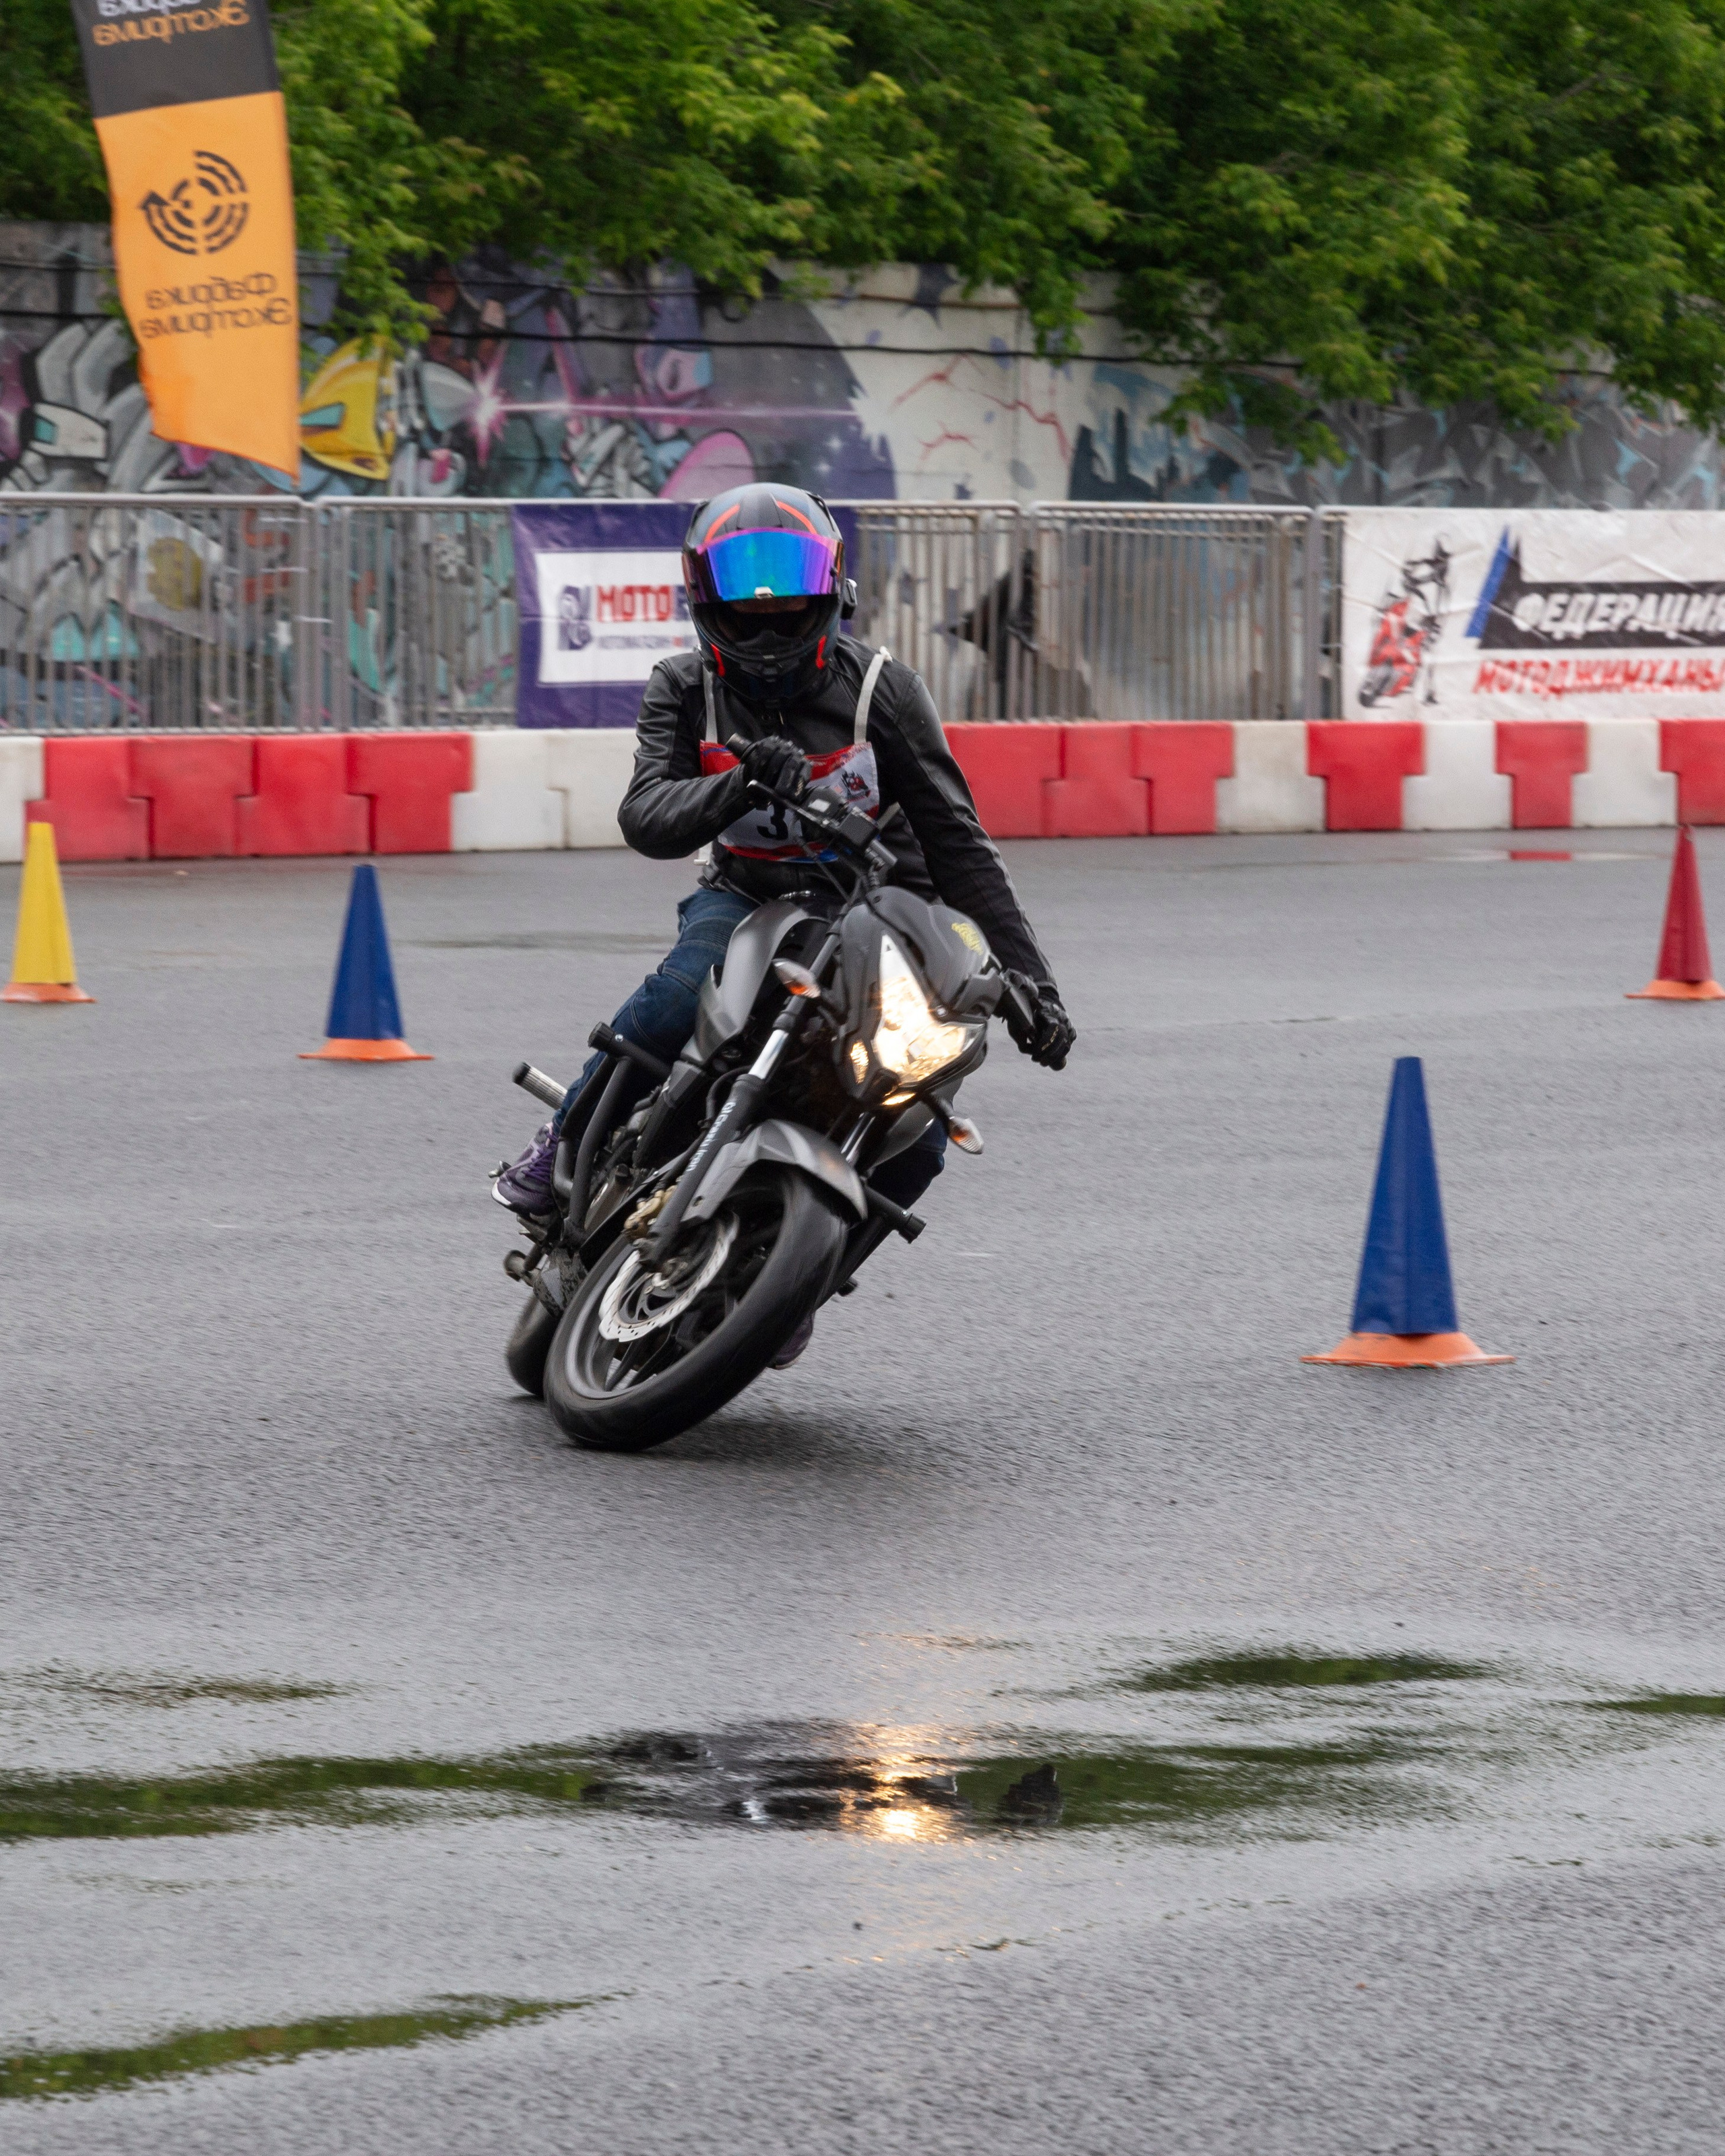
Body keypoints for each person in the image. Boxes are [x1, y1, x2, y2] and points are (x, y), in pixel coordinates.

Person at [495, 483, 1075, 1351]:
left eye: (789, 594)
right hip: (749, 897)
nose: (768, 621)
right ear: (702, 599)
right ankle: (561, 1141)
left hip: (887, 915)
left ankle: (803, 1278)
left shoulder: (885, 690)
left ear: (833, 585)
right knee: (678, 988)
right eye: (744, 601)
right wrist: (738, 781)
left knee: (919, 1136)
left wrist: (1033, 980)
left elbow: (961, 844)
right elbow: (643, 816)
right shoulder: (684, 687)